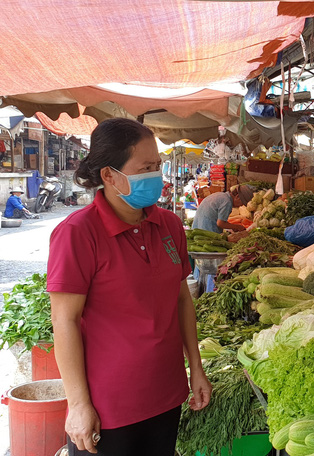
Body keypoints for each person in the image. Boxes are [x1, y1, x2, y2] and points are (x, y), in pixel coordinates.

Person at [47, 118, 211, 456]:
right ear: (109, 175)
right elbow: (64, 321)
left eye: (158, 165)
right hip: (109, 407)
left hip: (166, 395)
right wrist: (78, 404)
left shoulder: (168, 224)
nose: (157, 176)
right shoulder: (78, 233)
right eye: (146, 167)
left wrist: (196, 367)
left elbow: (181, 300)